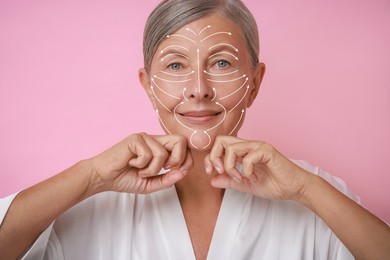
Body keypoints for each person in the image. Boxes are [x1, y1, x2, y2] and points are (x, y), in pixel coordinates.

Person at [0, 0, 389, 259]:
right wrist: (90, 176)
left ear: (255, 82)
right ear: (147, 85)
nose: (198, 87)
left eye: (221, 63)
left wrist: (306, 189)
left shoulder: (318, 197)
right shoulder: (90, 203)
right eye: (175, 66)